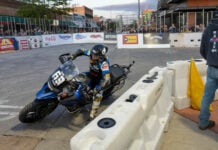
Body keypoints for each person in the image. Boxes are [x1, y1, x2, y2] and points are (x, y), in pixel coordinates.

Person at [71, 44, 111, 119]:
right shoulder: (92, 53)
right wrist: (73, 56)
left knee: (98, 95)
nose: (92, 56)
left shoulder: (104, 63)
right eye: (92, 54)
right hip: (91, 74)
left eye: (95, 55)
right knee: (77, 79)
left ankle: (93, 111)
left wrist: (100, 87)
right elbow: (82, 50)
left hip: (100, 79)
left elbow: (106, 78)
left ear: (100, 56)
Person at [198, 10, 218, 130]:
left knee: (206, 97)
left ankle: (203, 122)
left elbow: (202, 50)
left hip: (211, 68)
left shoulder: (207, 29)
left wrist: (211, 59)